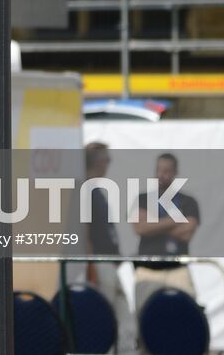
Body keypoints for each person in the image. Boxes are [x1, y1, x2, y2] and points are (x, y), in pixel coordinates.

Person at [132, 152, 201, 329]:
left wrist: (153, 222)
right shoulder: (142, 199)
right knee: (145, 320)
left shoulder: (188, 201)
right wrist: (175, 219)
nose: (162, 175)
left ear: (175, 172)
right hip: (148, 269)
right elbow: (140, 227)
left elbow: (187, 232)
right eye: (159, 170)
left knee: (186, 316)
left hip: (177, 268)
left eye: (167, 171)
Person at [83, 141, 136, 352]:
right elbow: (84, 232)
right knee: (106, 320)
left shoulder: (94, 190)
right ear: (98, 162)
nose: (108, 164)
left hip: (108, 264)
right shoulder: (85, 190)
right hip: (100, 264)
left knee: (123, 320)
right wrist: (92, 267)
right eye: (107, 159)